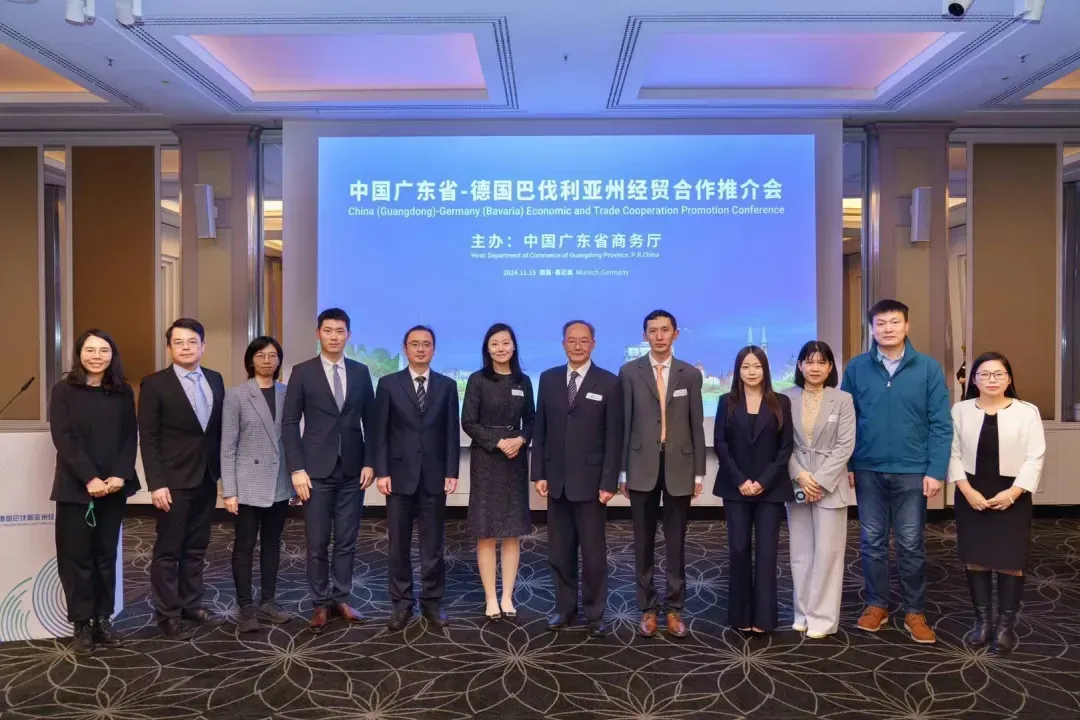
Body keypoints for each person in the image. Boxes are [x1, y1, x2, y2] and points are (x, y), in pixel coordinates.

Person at [841, 299, 952, 645]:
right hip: (868, 468)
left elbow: (941, 424)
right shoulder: (857, 368)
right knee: (871, 541)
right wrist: (849, 464)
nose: (887, 328)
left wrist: (936, 470)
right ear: (871, 329)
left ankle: (915, 611)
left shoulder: (928, 368)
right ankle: (877, 604)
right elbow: (846, 422)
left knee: (910, 543)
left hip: (912, 470)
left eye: (894, 322)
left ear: (907, 326)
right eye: (880, 323)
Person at [283, 308, 376, 634]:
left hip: (353, 470)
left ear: (348, 335)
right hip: (314, 472)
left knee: (347, 540)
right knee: (318, 541)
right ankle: (320, 603)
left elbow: (371, 421)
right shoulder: (302, 372)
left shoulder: (361, 372)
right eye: (328, 330)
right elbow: (290, 422)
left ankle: (341, 598)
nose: (334, 336)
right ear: (318, 333)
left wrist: (370, 462)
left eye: (340, 331)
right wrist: (296, 468)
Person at [49, 329, 140, 654]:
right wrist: (89, 478)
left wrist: (120, 474)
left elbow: (130, 436)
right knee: (76, 558)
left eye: (104, 350)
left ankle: (103, 620)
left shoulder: (122, 391)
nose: (97, 356)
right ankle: (82, 625)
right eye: (90, 350)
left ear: (112, 355)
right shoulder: (63, 390)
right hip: (76, 488)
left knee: (105, 556)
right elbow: (63, 438)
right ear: (79, 354)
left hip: (113, 487)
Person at [948, 352, 1044, 654]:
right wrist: (966, 490)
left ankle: (1005, 627)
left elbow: (1035, 457)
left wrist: (1013, 492)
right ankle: (983, 623)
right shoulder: (960, 410)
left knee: (1010, 562)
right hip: (971, 492)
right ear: (974, 379)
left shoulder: (1027, 411)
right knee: (976, 558)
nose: (991, 379)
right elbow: (951, 452)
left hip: (1013, 494)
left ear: (1009, 378)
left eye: (998, 374)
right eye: (984, 374)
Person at [619, 309, 706, 639]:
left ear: (675, 334)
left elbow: (697, 425)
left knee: (676, 542)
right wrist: (622, 472)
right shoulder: (629, 372)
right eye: (653, 330)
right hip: (641, 465)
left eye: (665, 330)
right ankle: (647, 608)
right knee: (642, 542)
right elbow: (625, 425)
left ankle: (674, 608)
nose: (659, 336)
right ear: (645, 336)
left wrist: (699, 472)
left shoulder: (690, 374)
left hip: (679, 466)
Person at [532, 320, 622, 638]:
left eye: (584, 340)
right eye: (572, 340)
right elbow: (540, 429)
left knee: (594, 555)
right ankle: (564, 608)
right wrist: (539, 473)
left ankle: (595, 613)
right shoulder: (548, 379)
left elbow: (614, 437)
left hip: (592, 485)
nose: (578, 346)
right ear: (563, 344)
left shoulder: (609, 382)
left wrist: (609, 482)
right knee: (559, 553)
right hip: (556, 482)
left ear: (593, 344)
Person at [139, 318, 227, 639]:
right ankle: (168, 615)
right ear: (169, 348)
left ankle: (192, 604)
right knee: (168, 550)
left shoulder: (215, 379)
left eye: (192, 341)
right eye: (178, 342)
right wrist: (156, 483)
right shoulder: (154, 384)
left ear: (203, 346)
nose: (186, 347)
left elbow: (215, 431)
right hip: (172, 481)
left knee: (197, 547)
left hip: (206, 476)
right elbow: (148, 438)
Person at [374, 326, 460, 631]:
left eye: (426, 344)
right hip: (398, 476)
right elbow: (380, 432)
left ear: (434, 349)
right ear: (405, 348)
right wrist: (382, 471)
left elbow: (451, 432)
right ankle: (401, 604)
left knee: (433, 545)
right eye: (415, 344)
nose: (421, 349)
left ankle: (432, 603)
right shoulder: (388, 384)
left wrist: (452, 471)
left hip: (434, 476)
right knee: (398, 544)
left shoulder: (447, 386)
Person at [713, 345, 794, 635]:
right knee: (738, 549)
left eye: (757, 366)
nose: (751, 372)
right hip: (735, 487)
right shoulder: (726, 401)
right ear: (738, 370)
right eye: (746, 366)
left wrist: (763, 481)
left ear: (765, 369)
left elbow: (786, 447)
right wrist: (740, 480)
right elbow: (720, 444)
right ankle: (740, 616)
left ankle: (764, 618)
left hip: (770, 489)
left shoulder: (781, 402)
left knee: (767, 553)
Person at [461, 323, 534, 622]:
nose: (501, 348)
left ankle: (507, 596)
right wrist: (499, 441)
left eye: (505, 343)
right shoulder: (477, 380)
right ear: (487, 349)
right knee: (487, 531)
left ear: (513, 346)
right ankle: (491, 597)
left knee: (513, 531)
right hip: (487, 459)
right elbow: (468, 422)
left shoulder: (523, 381)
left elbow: (532, 420)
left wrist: (521, 439)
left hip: (515, 459)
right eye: (495, 344)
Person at [220, 336, 294, 633]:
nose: (267, 361)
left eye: (273, 355)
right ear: (250, 360)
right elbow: (227, 446)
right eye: (261, 355)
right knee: (245, 545)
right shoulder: (236, 395)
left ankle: (268, 601)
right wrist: (229, 490)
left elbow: (292, 439)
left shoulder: (288, 393)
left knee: (273, 544)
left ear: (279, 360)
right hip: (247, 484)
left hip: (279, 480)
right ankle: (245, 606)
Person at [784, 341, 855, 639]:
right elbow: (781, 442)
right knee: (800, 553)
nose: (815, 368)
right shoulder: (785, 398)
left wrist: (820, 480)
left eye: (821, 362)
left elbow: (846, 444)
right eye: (809, 361)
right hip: (797, 481)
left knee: (828, 553)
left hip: (831, 484)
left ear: (830, 367)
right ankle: (802, 613)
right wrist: (801, 475)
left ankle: (822, 619)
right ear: (800, 365)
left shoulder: (843, 399)